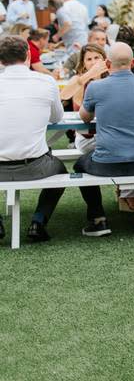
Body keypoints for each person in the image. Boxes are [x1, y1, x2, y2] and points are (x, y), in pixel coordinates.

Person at [76, 42, 134, 237]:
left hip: (106, 163)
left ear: (107, 63)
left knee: (79, 165)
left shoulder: (96, 88)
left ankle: (98, 219)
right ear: (133, 62)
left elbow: (84, 117)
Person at [0, 35, 68, 243]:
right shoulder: (46, 81)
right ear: (28, 55)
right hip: (35, 167)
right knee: (61, 170)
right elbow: (57, 117)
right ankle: (39, 221)